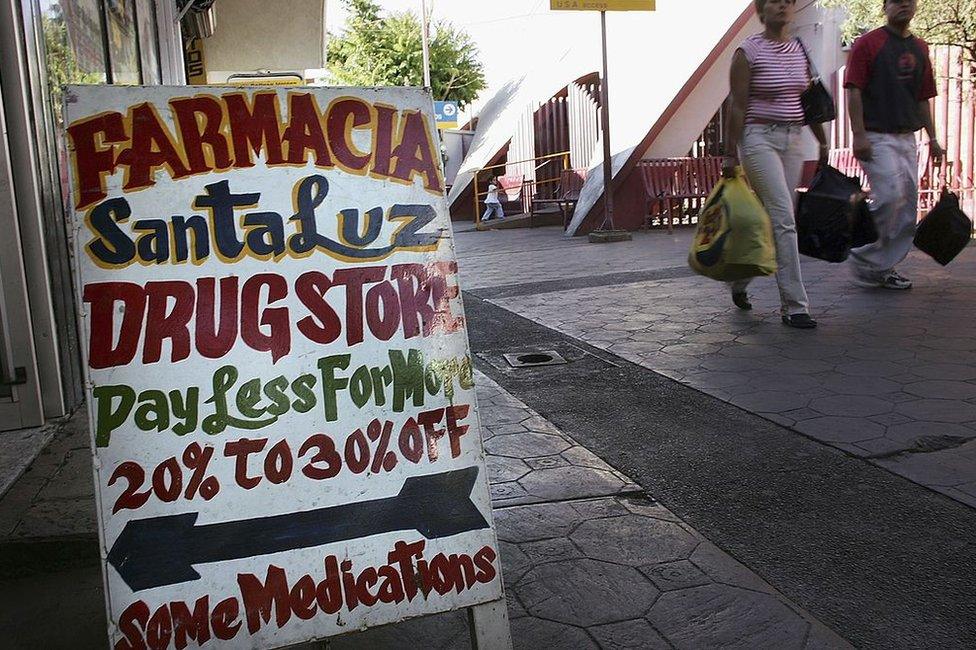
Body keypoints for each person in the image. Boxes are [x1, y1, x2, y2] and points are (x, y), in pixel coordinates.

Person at [723, 0, 829, 329]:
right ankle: (795, 306)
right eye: (774, 0)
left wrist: (822, 141)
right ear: (761, 10)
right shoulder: (748, 52)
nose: (782, 5)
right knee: (784, 218)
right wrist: (729, 154)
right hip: (758, 139)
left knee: (774, 219)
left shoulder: (800, 49)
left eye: (788, 0)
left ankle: (739, 278)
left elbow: (809, 101)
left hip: (793, 139)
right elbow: (737, 106)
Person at [845, 0, 944, 289]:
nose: (904, 5)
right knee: (889, 196)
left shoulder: (920, 48)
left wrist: (933, 138)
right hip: (876, 136)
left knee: (907, 206)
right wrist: (859, 134)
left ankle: (883, 267)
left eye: (909, 1)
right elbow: (853, 91)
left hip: (906, 137)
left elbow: (923, 97)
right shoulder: (867, 43)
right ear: (884, 7)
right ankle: (861, 253)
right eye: (896, 1)